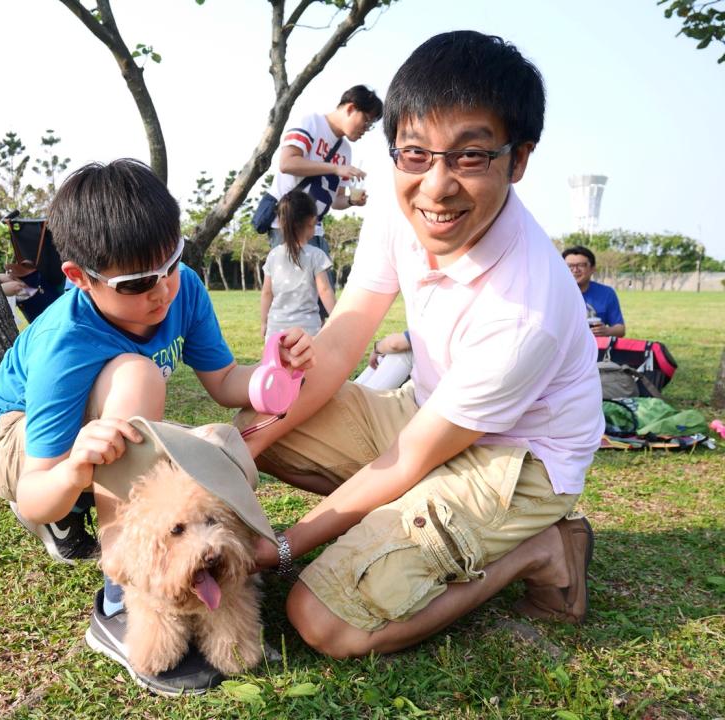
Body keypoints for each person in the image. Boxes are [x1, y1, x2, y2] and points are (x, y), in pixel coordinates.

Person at [235, 30, 603, 659]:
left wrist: (286, 546)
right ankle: (407, 529)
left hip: (515, 459)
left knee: (324, 620)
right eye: (415, 153)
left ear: (518, 160)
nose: (435, 187)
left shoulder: (526, 309)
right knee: (264, 424)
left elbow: (410, 458)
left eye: (469, 156)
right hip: (427, 409)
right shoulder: (397, 199)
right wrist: (237, 452)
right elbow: (349, 327)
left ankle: (536, 552)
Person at [0, 159, 314, 694]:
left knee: (200, 437)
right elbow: (36, 492)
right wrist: (73, 471)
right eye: (137, 282)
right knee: (138, 379)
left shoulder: (183, 288)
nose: (163, 290)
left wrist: (274, 373)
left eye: (173, 263)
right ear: (79, 278)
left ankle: (79, 512)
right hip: (9, 440)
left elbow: (223, 381)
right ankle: (118, 598)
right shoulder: (67, 340)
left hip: (96, 426)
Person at [269, 84, 384, 316]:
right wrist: (334, 167)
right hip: (288, 227)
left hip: (316, 231)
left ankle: (321, 347)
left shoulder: (345, 150)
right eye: (367, 121)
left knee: (322, 301)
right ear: (351, 108)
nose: (366, 128)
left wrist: (352, 201)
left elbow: (337, 201)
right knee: (296, 304)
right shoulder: (310, 123)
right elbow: (287, 162)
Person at [260, 190, 337, 340]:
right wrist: (335, 321)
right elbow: (325, 291)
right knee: (308, 363)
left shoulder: (273, 255)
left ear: (282, 223)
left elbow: (267, 293)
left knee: (277, 364)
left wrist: (264, 322)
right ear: (312, 222)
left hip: (276, 330)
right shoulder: (316, 255)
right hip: (307, 331)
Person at [562, 245, 626, 337]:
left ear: (593, 268)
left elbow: (620, 329)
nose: (575, 270)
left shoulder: (607, 293)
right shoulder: (553, 294)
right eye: (569, 266)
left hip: (596, 348)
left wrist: (607, 331)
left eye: (581, 265)